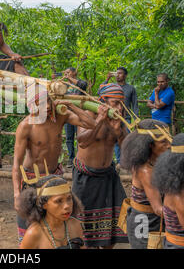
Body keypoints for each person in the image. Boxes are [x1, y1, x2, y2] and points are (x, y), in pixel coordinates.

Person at [13, 88, 95, 244]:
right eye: (40, 104)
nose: (46, 107)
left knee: (61, 218)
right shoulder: (26, 126)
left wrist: (72, 106)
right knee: (30, 224)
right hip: (33, 180)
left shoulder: (60, 116)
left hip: (55, 176)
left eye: (47, 101)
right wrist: (17, 193)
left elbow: (91, 124)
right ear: (32, 107)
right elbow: (16, 163)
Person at [72, 83, 129, 248]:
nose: (119, 107)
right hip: (86, 177)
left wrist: (119, 131)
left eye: (122, 103)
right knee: (83, 227)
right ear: (102, 102)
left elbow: (126, 149)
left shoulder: (119, 119)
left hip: (107, 176)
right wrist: (100, 120)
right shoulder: (88, 114)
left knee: (111, 227)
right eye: (115, 102)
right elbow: (82, 141)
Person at [120, 119, 171, 249]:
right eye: (163, 141)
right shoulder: (146, 170)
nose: (169, 145)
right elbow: (158, 208)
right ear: (149, 145)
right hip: (143, 221)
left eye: (169, 139)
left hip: (157, 219)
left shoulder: (159, 162)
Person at [17, 175, 85, 249]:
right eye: (59, 201)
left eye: (69, 198)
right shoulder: (34, 234)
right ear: (44, 204)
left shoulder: (75, 225)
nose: (67, 206)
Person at [104, 67, 138, 167]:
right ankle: (119, 162)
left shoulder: (131, 88)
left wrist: (136, 120)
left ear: (125, 75)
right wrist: (107, 79)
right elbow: (99, 92)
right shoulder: (111, 87)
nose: (117, 75)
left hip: (126, 118)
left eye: (120, 73)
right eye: (116, 73)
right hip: (113, 118)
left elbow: (135, 105)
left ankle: (127, 161)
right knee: (115, 139)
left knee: (127, 140)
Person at [62, 67, 88, 167]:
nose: (66, 74)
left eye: (68, 72)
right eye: (65, 72)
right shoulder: (64, 85)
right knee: (69, 138)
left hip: (79, 115)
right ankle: (71, 158)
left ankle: (80, 158)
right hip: (68, 115)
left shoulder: (81, 83)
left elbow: (83, 85)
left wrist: (69, 79)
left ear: (74, 73)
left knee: (80, 137)